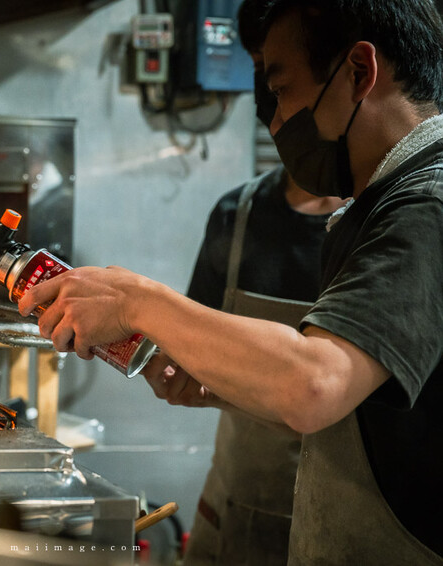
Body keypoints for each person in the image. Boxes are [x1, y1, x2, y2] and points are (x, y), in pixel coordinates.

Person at [18, 1, 443, 563]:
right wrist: (222, 382)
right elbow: (367, 412)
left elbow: (315, 384)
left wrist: (135, 300)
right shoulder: (373, 207)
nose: (274, 124)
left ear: (360, 73)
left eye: (283, 91)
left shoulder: (425, 207)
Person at [181, 1, 346, 563]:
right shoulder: (238, 214)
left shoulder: (378, 230)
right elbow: (189, 351)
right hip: (231, 514)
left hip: (340, 533)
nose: (283, 130)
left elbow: (321, 385)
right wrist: (174, 369)